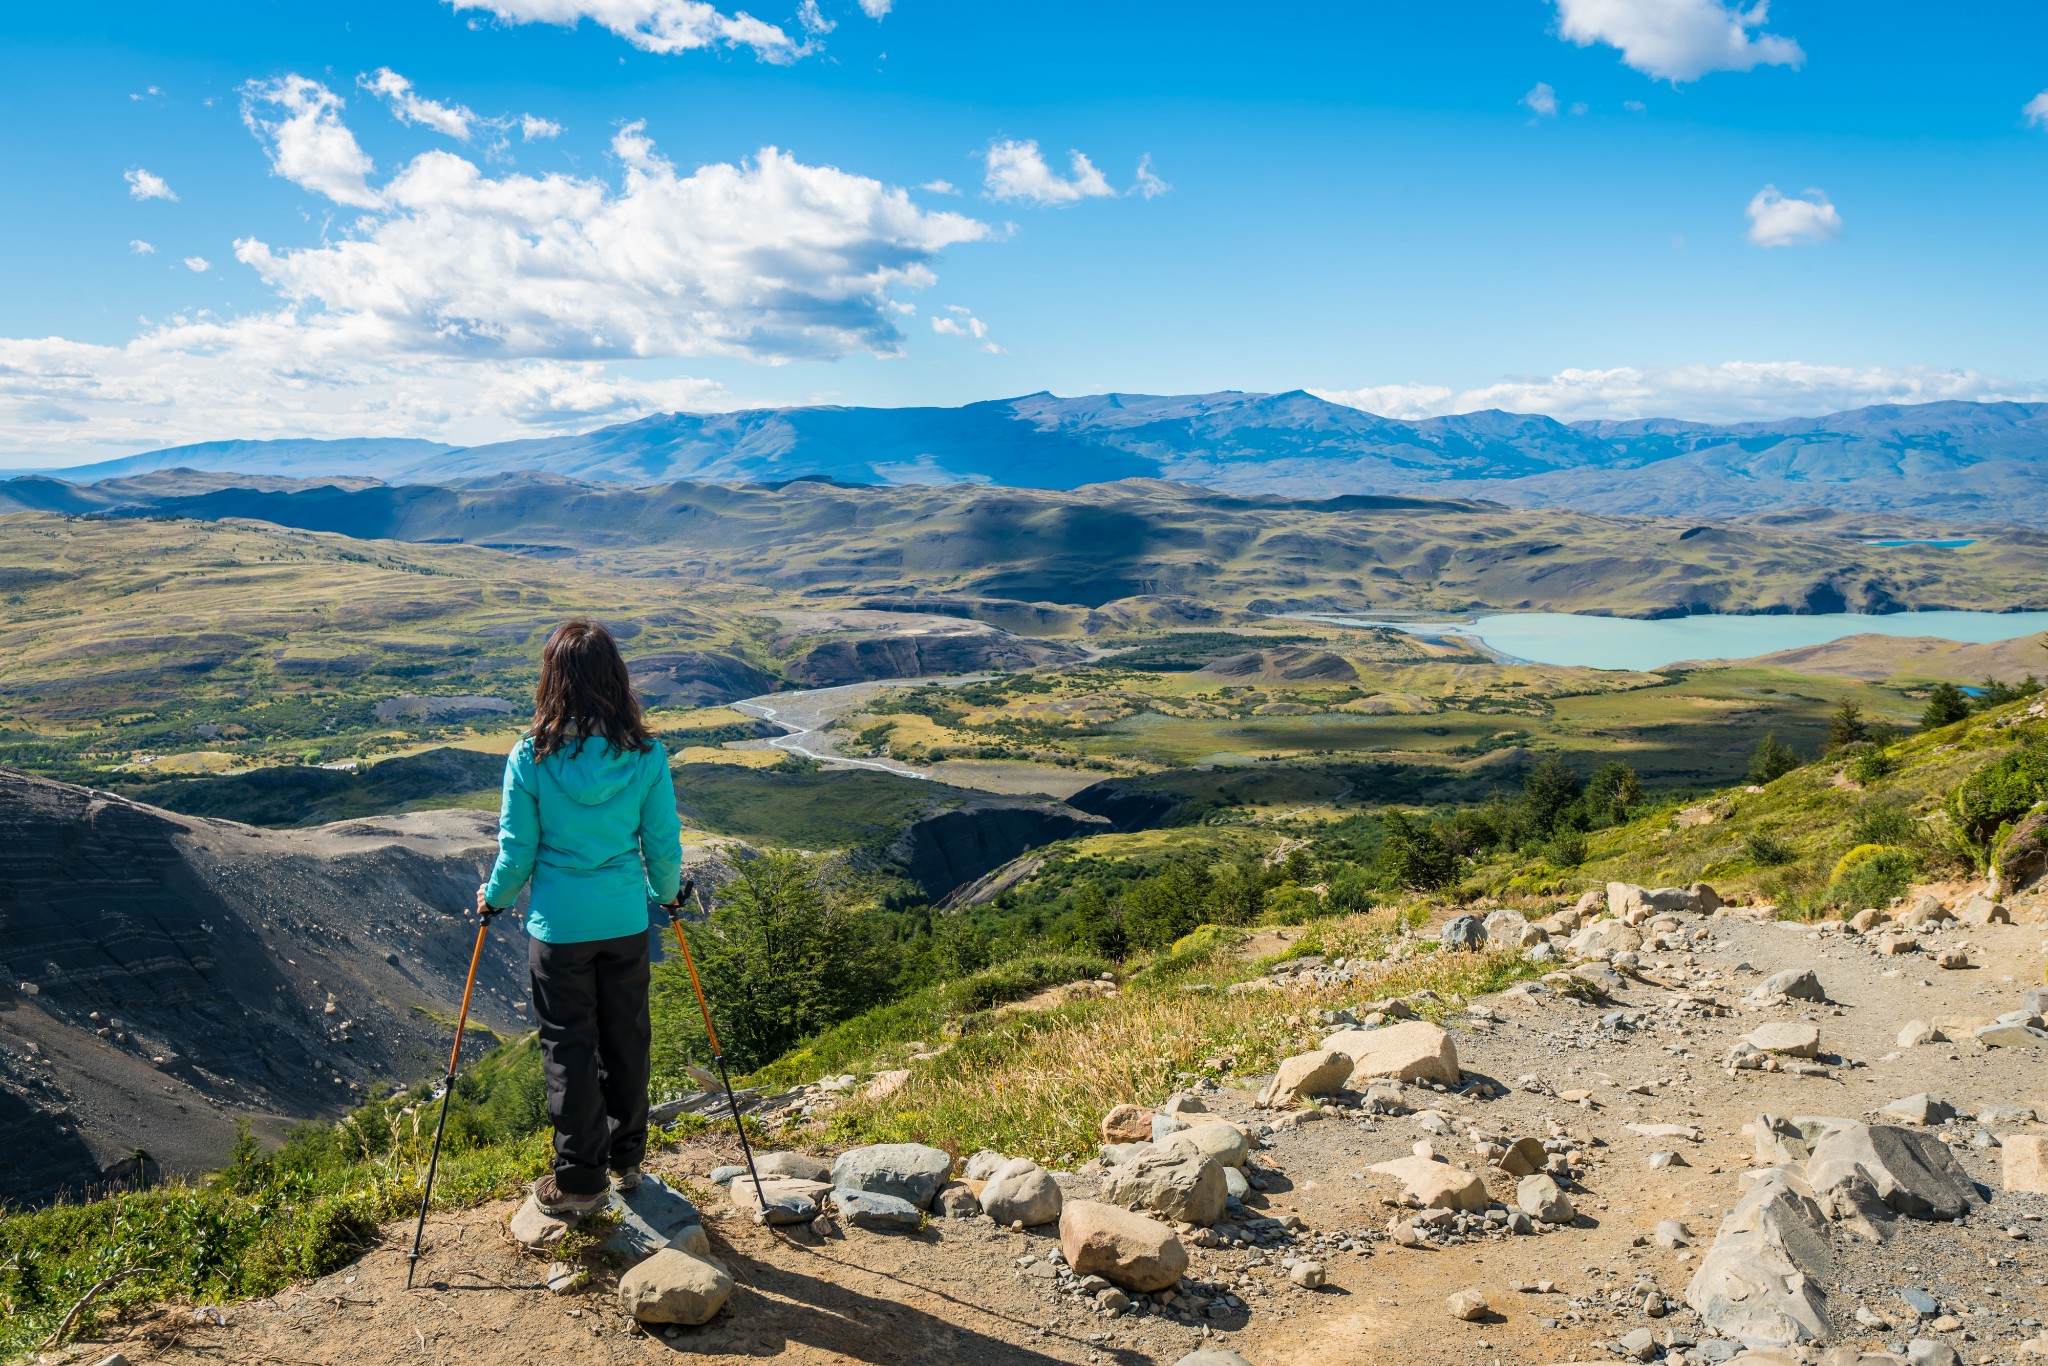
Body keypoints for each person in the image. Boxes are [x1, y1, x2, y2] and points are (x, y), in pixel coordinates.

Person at [477, 618, 682, 1217]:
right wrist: (667, 896)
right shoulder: (645, 755)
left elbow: (517, 851)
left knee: (568, 1048)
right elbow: (661, 845)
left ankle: (580, 1179)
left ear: (552, 680)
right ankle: (627, 1161)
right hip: (624, 922)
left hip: (558, 930)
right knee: (627, 1038)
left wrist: (493, 899)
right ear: (615, 678)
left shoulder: (530, 757)